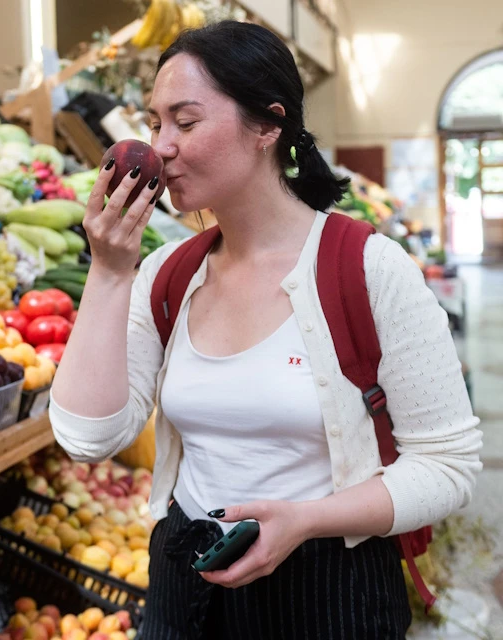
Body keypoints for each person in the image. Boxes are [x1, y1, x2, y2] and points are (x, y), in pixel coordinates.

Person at [49, 21, 482, 639]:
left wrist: (305, 520)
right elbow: (87, 437)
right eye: (154, 123)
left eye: (186, 121)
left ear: (267, 126)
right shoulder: (165, 275)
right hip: (184, 584)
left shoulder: (367, 266)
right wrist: (110, 272)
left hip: (332, 590)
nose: (160, 146)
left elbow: (448, 464)